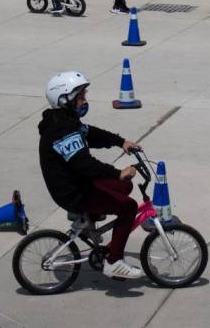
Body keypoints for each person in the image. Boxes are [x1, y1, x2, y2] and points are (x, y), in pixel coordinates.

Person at [39, 71, 143, 279]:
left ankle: (88, 223)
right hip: (73, 192)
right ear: (65, 100)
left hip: (77, 183)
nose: (85, 100)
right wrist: (117, 172)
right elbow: (84, 165)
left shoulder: (66, 120)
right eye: (80, 96)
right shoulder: (62, 131)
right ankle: (114, 262)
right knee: (129, 206)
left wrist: (120, 142)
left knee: (124, 188)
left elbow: (91, 134)